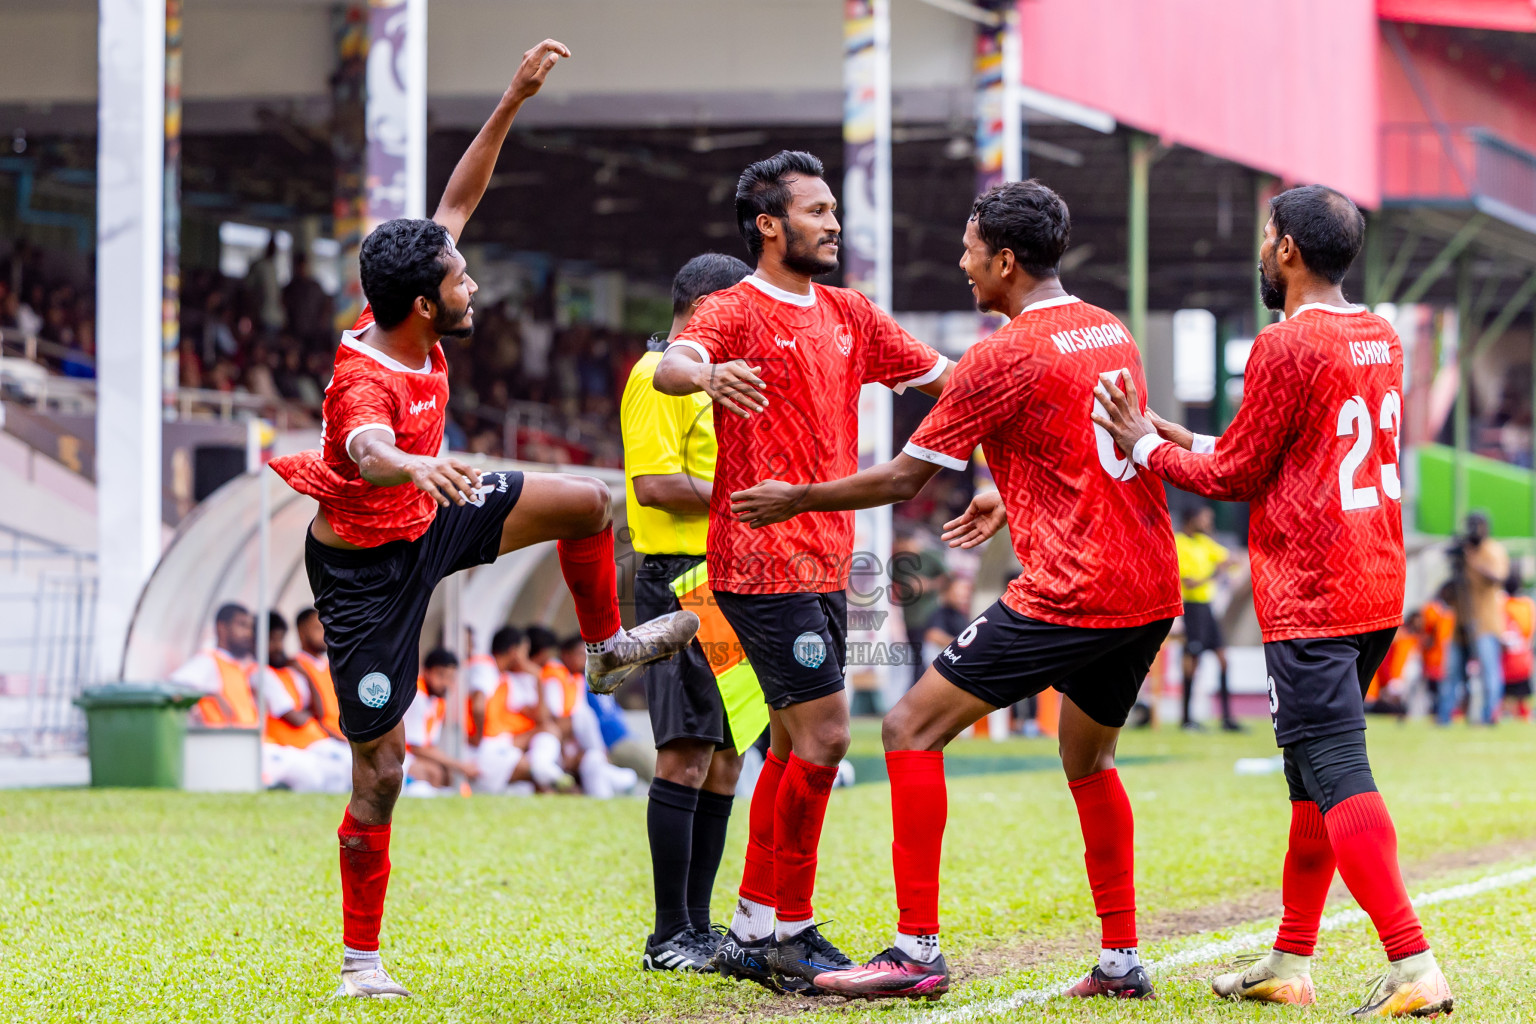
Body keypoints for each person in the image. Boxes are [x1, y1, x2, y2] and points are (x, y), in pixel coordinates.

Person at [266, 40, 699, 1000]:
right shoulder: (362, 378)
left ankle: (604, 651)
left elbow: (457, 199)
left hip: (436, 511)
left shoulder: (405, 304)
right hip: (366, 573)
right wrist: (422, 464)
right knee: (379, 771)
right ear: (425, 305)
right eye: (462, 282)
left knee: (590, 502)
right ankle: (360, 962)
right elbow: (370, 450)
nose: (475, 285)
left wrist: (512, 97)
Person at [731, 179, 1179, 1001]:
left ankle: (915, 951)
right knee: (1089, 757)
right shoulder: (1107, 329)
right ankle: (1119, 962)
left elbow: (904, 478)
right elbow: (1104, 447)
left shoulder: (1001, 355)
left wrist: (796, 495)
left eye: (971, 250)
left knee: (907, 727)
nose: (962, 263)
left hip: (1069, 591)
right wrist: (1011, 494)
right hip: (1149, 586)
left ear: (1006, 261)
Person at [1093, 184, 1452, 1015]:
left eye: (1265, 236)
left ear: (1286, 248)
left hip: (1314, 590)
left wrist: (1144, 445)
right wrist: (1175, 434)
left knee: (1334, 766)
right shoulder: (1379, 335)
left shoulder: (1284, 347)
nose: (1261, 250)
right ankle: (1291, 959)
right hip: (1374, 580)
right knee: (1308, 780)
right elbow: (1291, 446)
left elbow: (1236, 477)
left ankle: (1412, 964)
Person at [653, 149, 951, 991]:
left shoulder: (850, 312)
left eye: (832, 210)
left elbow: (943, 378)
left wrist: (1027, 389)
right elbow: (673, 365)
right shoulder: (731, 309)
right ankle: (782, 929)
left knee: (789, 744)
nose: (833, 223)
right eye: (817, 210)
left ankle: (759, 923)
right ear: (769, 224)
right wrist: (707, 370)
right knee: (825, 737)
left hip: (825, 556)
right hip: (756, 560)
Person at [620, 251, 753, 973]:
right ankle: (669, 934)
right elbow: (652, 484)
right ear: (708, 308)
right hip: (680, 585)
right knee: (685, 756)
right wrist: (742, 493)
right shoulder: (656, 376)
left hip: (725, 583)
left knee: (727, 761)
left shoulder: (707, 382)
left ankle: (700, 931)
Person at [261, 612, 352, 793]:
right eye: (318, 628)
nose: (279, 647)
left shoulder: (302, 669)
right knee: (342, 766)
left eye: (281, 640)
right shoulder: (266, 672)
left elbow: (315, 711)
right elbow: (300, 716)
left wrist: (306, 677)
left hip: (320, 737)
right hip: (297, 742)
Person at [472, 626, 569, 794]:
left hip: (500, 741)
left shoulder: (501, 676)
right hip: (484, 746)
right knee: (532, 768)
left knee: (547, 730)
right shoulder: (485, 666)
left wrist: (539, 678)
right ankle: (550, 774)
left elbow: (541, 717)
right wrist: (478, 738)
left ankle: (545, 770)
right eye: (524, 651)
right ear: (514, 651)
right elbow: (478, 707)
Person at [1174, 505, 1242, 731]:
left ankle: (1227, 718)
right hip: (1192, 608)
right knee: (1192, 662)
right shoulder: (1179, 543)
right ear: (1191, 519)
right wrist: (1215, 572)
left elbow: (1231, 559)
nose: (1207, 523)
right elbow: (1189, 582)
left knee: (1223, 659)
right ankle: (1186, 719)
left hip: (1207, 608)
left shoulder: (1205, 543)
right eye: (1203, 519)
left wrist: (1226, 562)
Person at [1441, 512, 1508, 725]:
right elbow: (1448, 591)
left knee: (1489, 673)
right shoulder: (1463, 552)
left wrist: (1472, 560)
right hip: (1460, 622)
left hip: (1485, 624)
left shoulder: (1492, 550)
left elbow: (1498, 577)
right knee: (1452, 674)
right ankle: (1444, 718)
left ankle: (1490, 716)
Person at [400, 649, 479, 792]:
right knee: (433, 772)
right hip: (398, 755)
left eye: (451, 678)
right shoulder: (416, 695)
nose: (446, 683)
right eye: (441, 675)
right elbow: (417, 748)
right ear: (427, 672)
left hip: (412, 755)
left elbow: (429, 746)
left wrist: (455, 765)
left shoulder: (438, 701)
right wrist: (460, 766)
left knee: (446, 772)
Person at [172, 603, 259, 728]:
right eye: (242, 625)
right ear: (221, 627)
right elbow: (176, 687)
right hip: (220, 741)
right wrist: (211, 694)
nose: (248, 633)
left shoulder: (237, 666)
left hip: (243, 740)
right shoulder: (208, 661)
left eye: (250, 628)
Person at [292, 607, 343, 739]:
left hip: (341, 732)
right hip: (323, 737)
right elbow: (308, 713)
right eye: (317, 628)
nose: (324, 633)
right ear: (302, 631)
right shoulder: (296, 667)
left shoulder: (330, 666)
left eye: (325, 627)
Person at [920, 575, 973, 668]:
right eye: (958, 591)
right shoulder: (941, 612)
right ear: (947, 592)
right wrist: (960, 644)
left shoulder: (960, 615)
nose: (963, 594)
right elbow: (932, 635)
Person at [1502, 570, 1533, 722]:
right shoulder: (1527, 605)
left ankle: (1506, 715)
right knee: (1522, 693)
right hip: (1524, 657)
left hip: (1507, 659)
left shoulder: (1503, 605)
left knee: (1506, 694)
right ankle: (1522, 715)